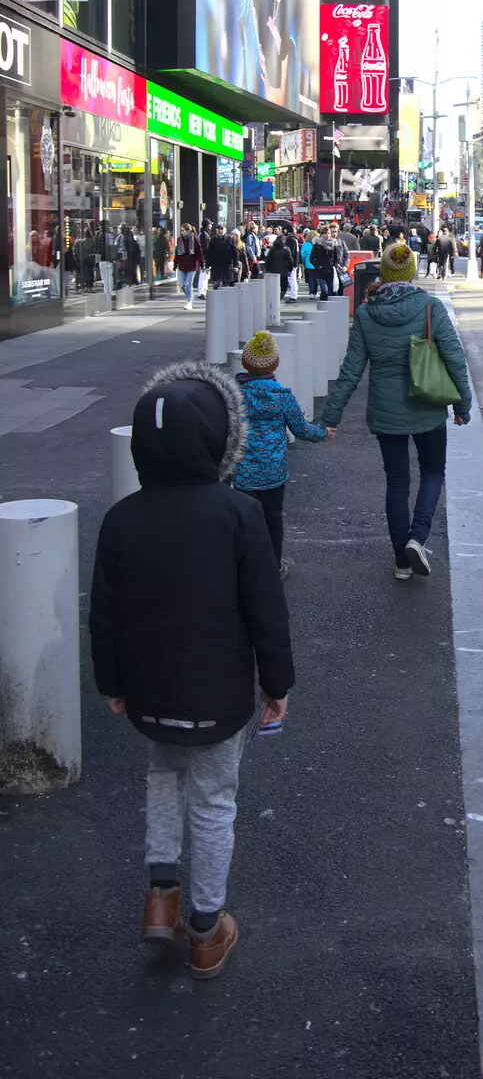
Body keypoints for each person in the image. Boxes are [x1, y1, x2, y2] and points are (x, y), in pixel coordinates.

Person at [88, 360, 294, 980]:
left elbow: (103, 614)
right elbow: (266, 609)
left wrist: (113, 684)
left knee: (162, 778)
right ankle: (205, 928)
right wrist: (277, 683)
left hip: (149, 691)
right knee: (213, 802)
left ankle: (161, 896)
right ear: (216, 439)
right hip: (219, 693)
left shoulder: (122, 518)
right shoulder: (237, 514)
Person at [321, 240, 472, 581]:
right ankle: (418, 537)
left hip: (386, 411)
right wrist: (463, 404)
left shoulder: (365, 313)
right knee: (433, 472)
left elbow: (351, 369)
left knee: (397, 482)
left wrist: (332, 416)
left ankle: (401, 562)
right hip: (428, 405)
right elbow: (454, 358)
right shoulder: (430, 307)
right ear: (412, 272)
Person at [232, 331, 333, 578]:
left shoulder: (233, 394)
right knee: (273, 519)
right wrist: (323, 432)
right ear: (275, 363)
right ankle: (274, 566)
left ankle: (241, 567)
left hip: (242, 469)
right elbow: (301, 428)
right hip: (273, 470)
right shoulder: (282, 396)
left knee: (242, 520)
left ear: (245, 363)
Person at [174, 224, 202, 310]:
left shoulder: (194, 239)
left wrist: (202, 263)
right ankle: (189, 297)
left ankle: (189, 301)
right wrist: (175, 264)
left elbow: (199, 252)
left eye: (183, 230)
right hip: (182, 265)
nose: (181, 232)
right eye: (181, 231)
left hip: (192, 265)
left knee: (188, 284)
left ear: (188, 231)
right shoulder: (179, 240)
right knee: (182, 284)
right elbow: (177, 253)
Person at [264, 234, 294, 298]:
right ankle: (279, 298)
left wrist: (267, 269)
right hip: (284, 271)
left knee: (274, 287)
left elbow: (268, 260)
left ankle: (274, 298)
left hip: (273, 271)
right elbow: (290, 261)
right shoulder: (286, 249)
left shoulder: (272, 249)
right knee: (284, 287)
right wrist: (290, 269)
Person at [310, 228, 336, 300]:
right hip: (320, 271)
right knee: (325, 291)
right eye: (325, 233)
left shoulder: (334, 244)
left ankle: (324, 306)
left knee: (330, 292)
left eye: (328, 233)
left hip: (330, 271)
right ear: (322, 234)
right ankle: (322, 303)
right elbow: (311, 258)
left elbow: (335, 258)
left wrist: (334, 265)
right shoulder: (317, 245)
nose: (327, 235)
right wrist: (318, 266)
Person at [299, 229, 318, 297]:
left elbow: (302, 254)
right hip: (316, 263)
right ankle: (315, 292)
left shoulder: (305, 244)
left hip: (308, 263)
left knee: (310, 279)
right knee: (316, 279)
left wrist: (304, 261)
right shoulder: (317, 244)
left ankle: (311, 292)